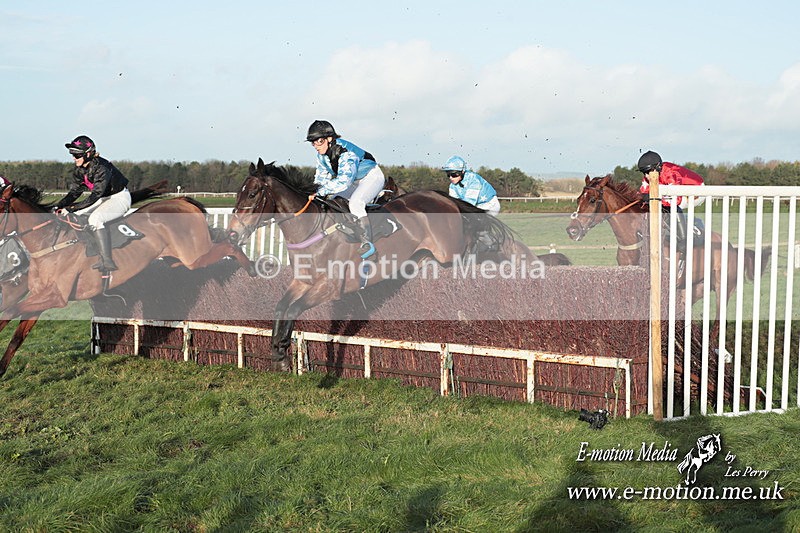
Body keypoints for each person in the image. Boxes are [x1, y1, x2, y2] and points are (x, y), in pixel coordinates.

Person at [55, 135, 131, 273]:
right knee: (77, 216)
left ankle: (107, 260)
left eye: (77, 154)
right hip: (103, 199)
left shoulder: (102, 168)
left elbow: (96, 194)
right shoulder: (79, 170)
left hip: (118, 198)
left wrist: (72, 208)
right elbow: (74, 192)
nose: (73, 157)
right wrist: (58, 206)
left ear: (88, 153)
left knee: (95, 219)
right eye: (72, 154)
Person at [306, 120, 385, 249]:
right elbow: (321, 179)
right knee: (332, 199)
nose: (316, 146)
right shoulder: (321, 156)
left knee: (355, 203)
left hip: (371, 177)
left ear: (329, 139)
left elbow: (344, 181)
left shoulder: (345, 152)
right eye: (313, 142)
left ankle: (367, 243)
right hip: (355, 182)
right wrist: (313, 192)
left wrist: (321, 191)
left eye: (319, 141)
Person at [637, 150, 705, 273]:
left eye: (648, 172)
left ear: (657, 168)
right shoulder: (649, 175)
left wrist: (652, 197)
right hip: (673, 193)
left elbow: (676, 200)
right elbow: (642, 192)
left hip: (696, 192)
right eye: (644, 173)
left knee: (670, 206)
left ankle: (685, 239)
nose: (646, 176)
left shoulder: (670, 173)